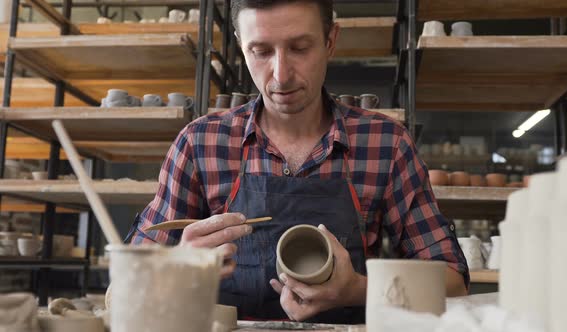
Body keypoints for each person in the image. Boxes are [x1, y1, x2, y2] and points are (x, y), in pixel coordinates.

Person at [126, 0, 469, 324]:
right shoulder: (200, 143)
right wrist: (176, 269)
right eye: (260, 51)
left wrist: (357, 290)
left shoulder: (386, 143)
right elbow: (127, 285)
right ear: (240, 44)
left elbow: (453, 280)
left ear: (331, 41)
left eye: (300, 48)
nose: (281, 75)